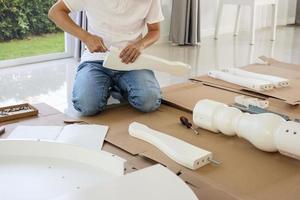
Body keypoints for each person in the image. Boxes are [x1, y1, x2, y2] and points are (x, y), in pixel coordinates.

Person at [48, 0, 164, 116]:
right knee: (86, 106)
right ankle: (108, 85)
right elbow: (55, 12)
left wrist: (140, 44)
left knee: (149, 102)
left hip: (131, 61)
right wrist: (86, 37)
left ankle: (118, 88)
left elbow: (155, 30)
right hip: (96, 60)